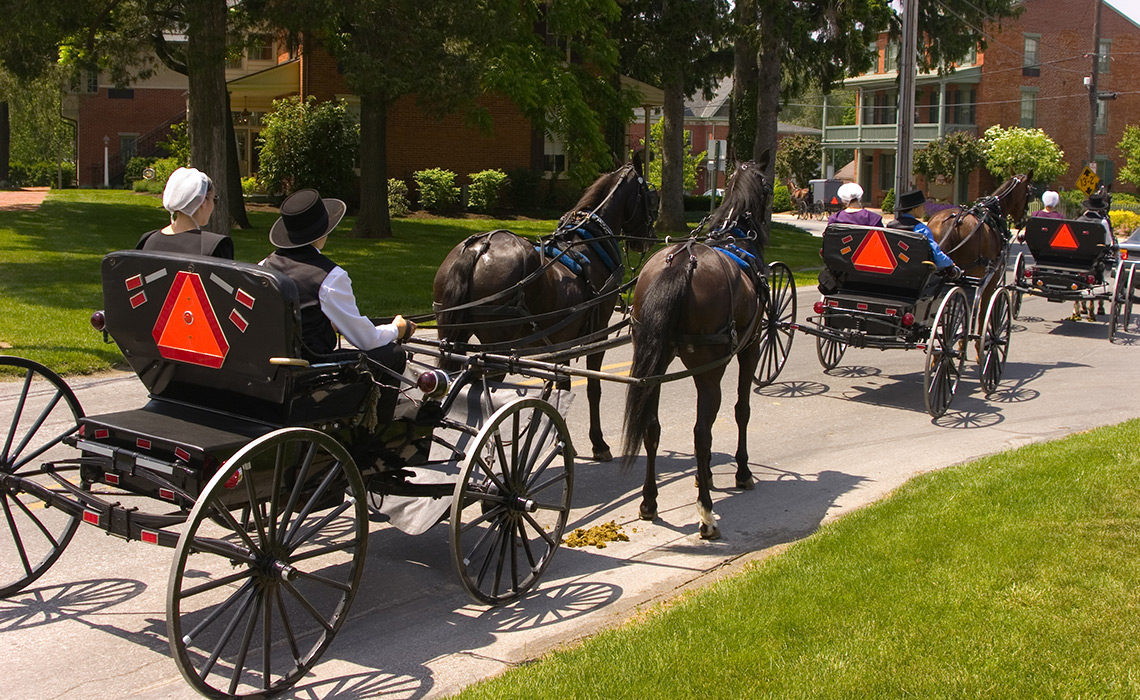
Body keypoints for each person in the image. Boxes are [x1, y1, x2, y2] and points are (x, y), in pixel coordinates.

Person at [260, 188, 415, 368]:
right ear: (323, 231)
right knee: (393, 354)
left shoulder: (264, 265)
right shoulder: (330, 277)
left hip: (269, 365)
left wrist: (326, 326)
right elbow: (366, 340)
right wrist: (397, 329)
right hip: (308, 368)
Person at [136, 167, 233, 259]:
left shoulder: (148, 240)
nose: (213, 205)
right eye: (214, 199)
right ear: (202, 201)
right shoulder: (214, 245)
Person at [887, 188, 962, 279]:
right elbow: (935, 252)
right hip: (914, 274)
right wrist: (950, 263)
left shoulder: (890, 226)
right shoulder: (921, 229)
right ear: (915, 208)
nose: (924, 209)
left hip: (892, 271)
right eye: (922, 206)